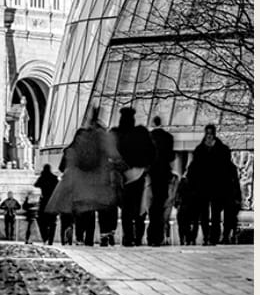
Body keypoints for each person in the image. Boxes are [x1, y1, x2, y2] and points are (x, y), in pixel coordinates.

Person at [46, 106, 122, 248]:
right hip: (99, 181)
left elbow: (68, 157)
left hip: (81, 182)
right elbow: (115, 155)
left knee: (83, 210)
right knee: (98, 210)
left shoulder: (80, 135)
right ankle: (97, 237)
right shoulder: (102, 135)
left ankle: (80, 237)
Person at [112, 106, 155, 246]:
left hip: (122, 177)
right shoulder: (141, 133)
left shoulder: (116, 134)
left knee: (126, 211)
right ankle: (137, 237)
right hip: (139, 174)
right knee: (139, 211)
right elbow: (152, 153)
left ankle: (128, 237)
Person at [186, 124, 233, 246]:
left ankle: (213, 237)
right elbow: (194, 169)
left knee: (215, 214)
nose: (209, 136)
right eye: (208, 134)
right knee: (205, 215)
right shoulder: (201, 150)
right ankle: (207, 236)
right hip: (204, 187)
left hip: (216, 186)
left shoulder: (220, 150)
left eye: (211, 134)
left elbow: (226, 169)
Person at [147, 116, 175, 246]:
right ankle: (158, 235)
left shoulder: (149, 137)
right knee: (161, 204)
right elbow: (171, 156)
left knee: (153, 205)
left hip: (152, 175)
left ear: (153, 123)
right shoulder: (168, 138)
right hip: (164, 175)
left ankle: (152, 235)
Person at [33, 164, 59, 245]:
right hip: (52, 202)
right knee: (52, 222)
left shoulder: (43, 177)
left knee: (41, 220)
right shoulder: (54, 178)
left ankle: (45, 237)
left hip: (44, 202)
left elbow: (36, 184)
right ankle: (50, 240)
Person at [174, 168, 198, 245]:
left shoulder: (183, 181)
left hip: (183, 205)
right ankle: (191, 239)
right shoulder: (196, 182)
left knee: (182, 224)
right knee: (192, 223)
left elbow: (178, 194)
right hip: (192, 205)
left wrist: (177, 203)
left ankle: (183, 239)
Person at [222, 159, 243, 244]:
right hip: (232, 201)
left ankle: (227, 237)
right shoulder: (234, 181)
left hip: (230, 201)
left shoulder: (230, 181)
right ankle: (231, 236)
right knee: (231, 220)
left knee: (228, 220)